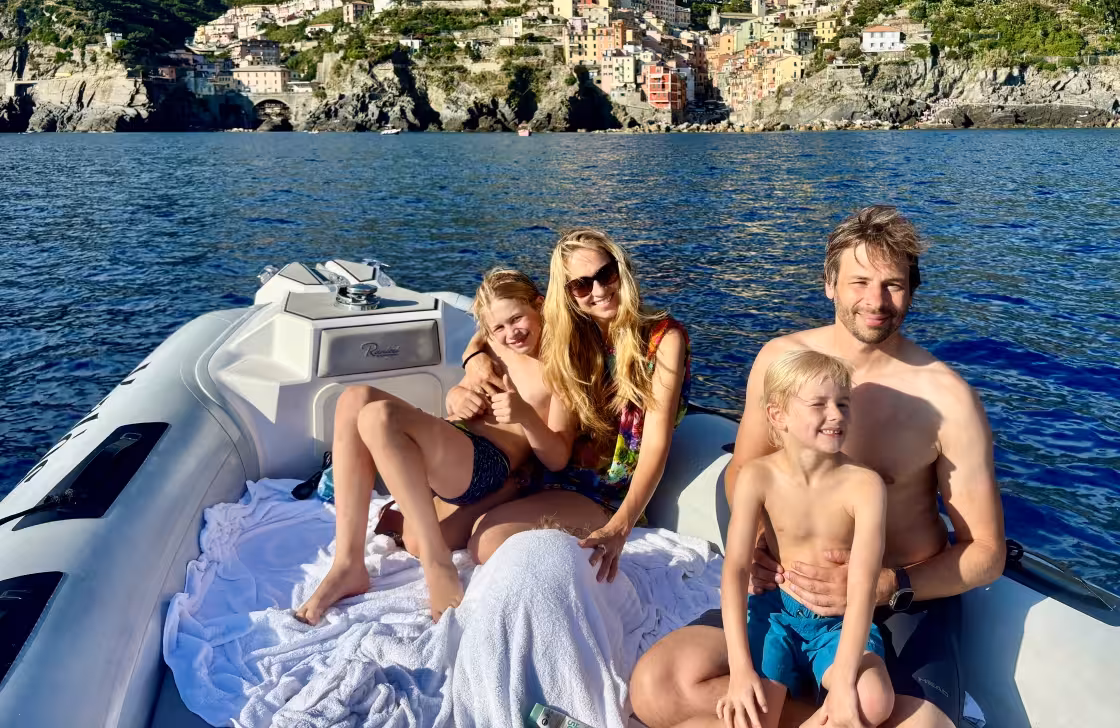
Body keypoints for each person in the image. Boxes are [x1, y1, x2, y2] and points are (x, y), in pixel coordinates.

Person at [630, 206, 1005, 728]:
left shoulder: (947, 399)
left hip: (897, 602)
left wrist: (889, 584)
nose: (876, 301)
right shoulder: (781, 362)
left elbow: (986, 553)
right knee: (657, 686)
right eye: (859, 282)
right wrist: (760, 541)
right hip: (788, 592)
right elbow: (744, 470)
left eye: (894, 285)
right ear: (829, 284)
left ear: (912, 291)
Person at [295, 268, 575, 624]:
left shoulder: (560, 366)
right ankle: (348, 564)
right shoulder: (491, 348)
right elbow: (457, 401)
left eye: (517, 319)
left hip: (487, 465)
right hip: (455, 445)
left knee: (380, 417)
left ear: (540, 305)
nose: (510, 334)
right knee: (354, 399)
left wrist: (526, 417)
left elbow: (558, 458)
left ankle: (437, 563)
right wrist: (457, 394)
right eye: (498, 327)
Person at [460, 228, 692, 583]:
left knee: (487, 543)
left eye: (605, 274)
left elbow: (655, 445)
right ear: (567, 293)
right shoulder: (569, 330)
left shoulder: (662, 339)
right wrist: (473, 355)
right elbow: (495, 324)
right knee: (444, 534)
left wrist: (620, 528)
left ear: (621, 269)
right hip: (549, 469)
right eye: (581, 285)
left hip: (605, 491)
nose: (598, 291)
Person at [718, 350, 893, 728]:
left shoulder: (865, 486)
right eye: (819, 404)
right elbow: (735, 570)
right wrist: (739, 670)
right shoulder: (757, 477)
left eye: (843, 404)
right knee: (750, 710)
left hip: (837, 623)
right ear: (778, 414)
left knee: (873, 701)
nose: (836, 415)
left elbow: (862, 585)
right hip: (775, 613)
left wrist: (845, 680)